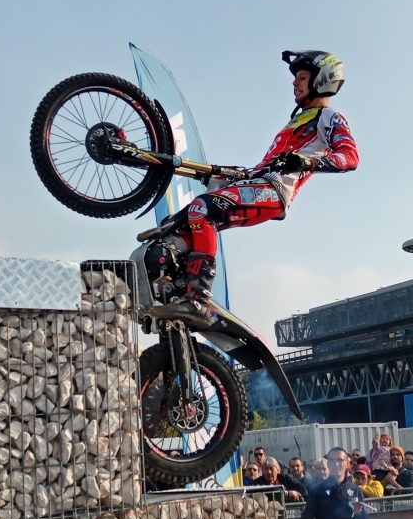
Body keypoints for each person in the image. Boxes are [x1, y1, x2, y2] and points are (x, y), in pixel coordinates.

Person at [145, 50, 358, 326]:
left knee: (202, 208)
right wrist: (229, 175)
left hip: (274, 192)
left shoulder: (329, 117)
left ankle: (196, 299)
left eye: (302, 77)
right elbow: (265, 166)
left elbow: (350, 157)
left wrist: (306, 161)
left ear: (322, 80)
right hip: (258, 182)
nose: (295, 83)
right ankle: (173, 291)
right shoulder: (294, 122)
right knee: (176, 225)